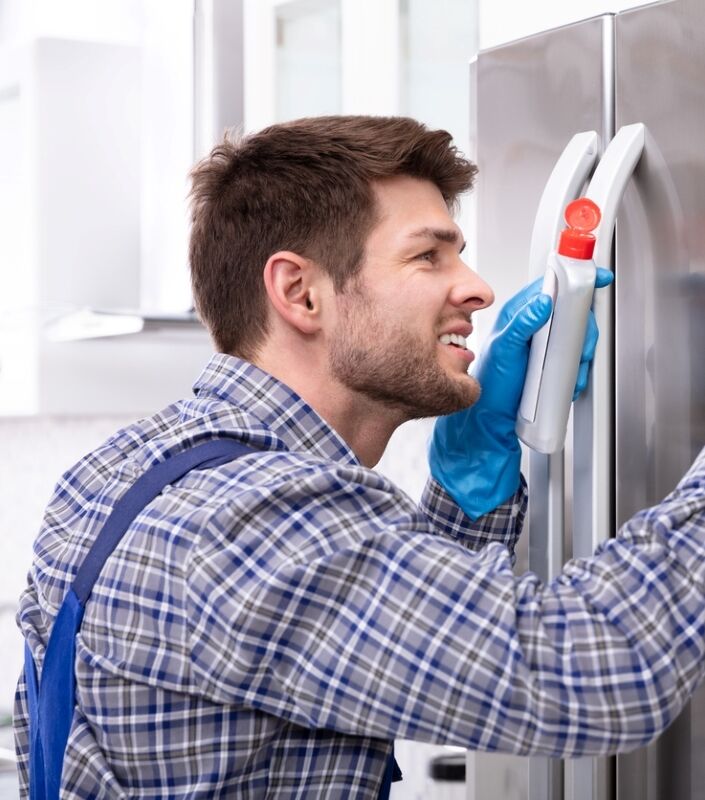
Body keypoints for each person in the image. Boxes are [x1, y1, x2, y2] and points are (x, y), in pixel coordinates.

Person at [13, 115, 705, 799]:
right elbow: (600, 671)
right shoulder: (264, 519)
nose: (476, 288)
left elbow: (392, 642)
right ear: (299, 293)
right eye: (427, 255)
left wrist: (467, 494)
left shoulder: (124, 469)